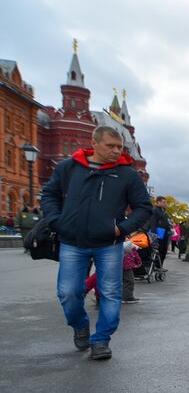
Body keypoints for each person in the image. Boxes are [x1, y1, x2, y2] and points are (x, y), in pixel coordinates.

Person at [40, 125, 153, 360]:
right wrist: (55, 221)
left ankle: (101, 339)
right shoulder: (68, 167)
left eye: (119, 147)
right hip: (73, 241)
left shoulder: (127, 174)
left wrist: (121, 228)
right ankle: (80, 325)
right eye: (110, 146)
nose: (116, 151)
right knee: (69, 292)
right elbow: (49, 195)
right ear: (95, 142)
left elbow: (143, 207)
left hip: (108, 243)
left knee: (111, 292)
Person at [146, 195, 172, 264]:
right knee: (159, 250)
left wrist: (169, 228)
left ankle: (160, 265)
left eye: (165, 202)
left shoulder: (164, 211)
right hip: (159, 233)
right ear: (158, 202)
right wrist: (154, 234)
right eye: (163, 202)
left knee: (164, 251)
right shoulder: (155, 210)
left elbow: (166, 222)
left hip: (165, 233)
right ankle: (157, 265)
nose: (165, 204)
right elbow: (153, 222)